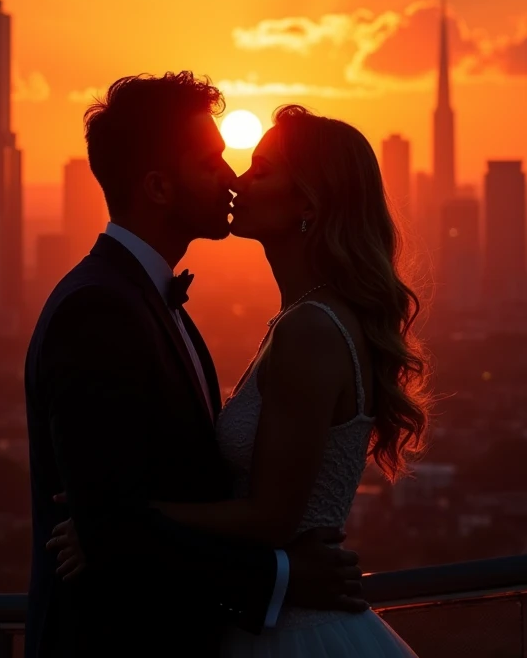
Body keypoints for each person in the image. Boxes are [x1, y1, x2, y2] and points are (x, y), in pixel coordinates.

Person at [49, 102, 430, 656]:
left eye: (260, 169)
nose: (236, 180)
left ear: (308, 203)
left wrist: (118, 526)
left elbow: (271, 516)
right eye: (228, 164)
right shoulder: (299, 321)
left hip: (291, 633)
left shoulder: (310, 331)